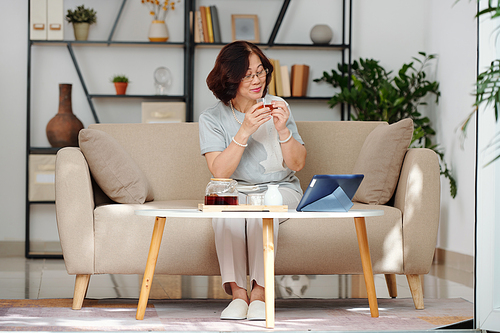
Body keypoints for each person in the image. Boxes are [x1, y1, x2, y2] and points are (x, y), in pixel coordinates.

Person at [199, 41, 307, 321]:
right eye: (248, 75)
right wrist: (244, 130)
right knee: (227, 213)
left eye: (260, 71)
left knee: (263, 209)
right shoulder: (211, 118)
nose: (257, 80)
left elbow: (297, 164)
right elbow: (219, 172)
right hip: (234, 190)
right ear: (230, 78)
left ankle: (260, 295)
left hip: (280, 189)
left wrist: (282, 130)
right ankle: (238, 296)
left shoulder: (279, 107)